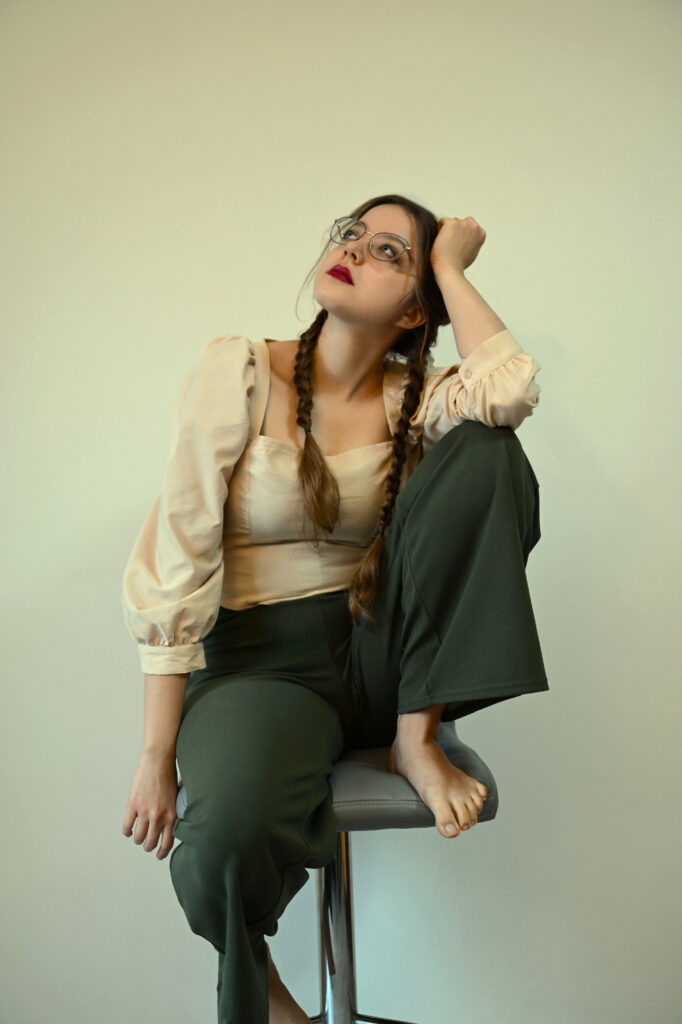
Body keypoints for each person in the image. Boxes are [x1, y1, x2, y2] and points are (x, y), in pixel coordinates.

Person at [120, 193, 548, 1024]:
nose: (352, 247)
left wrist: (450, 265)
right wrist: (155, 751)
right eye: (351, 232)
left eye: (387, 251)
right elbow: (178, 558)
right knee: (221, 844)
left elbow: (509, 391)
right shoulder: (240, 371)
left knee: (491, 451)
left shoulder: (414, 398)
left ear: (416, 308)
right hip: (260, 668)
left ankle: (413, 740)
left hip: (382, 657)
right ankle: (276, 1003)